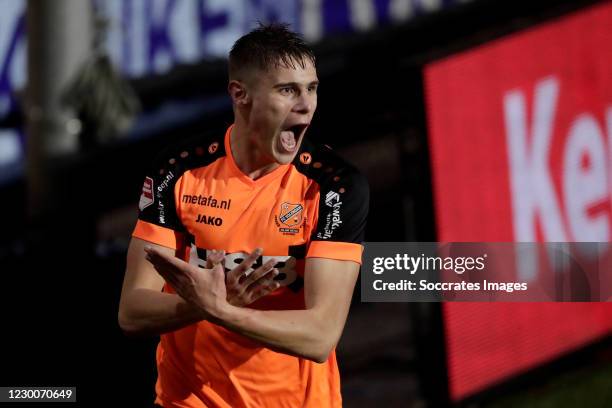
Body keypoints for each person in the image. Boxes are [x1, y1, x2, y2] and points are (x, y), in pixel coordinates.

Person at [118, 23, 369, 408]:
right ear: (241, 94)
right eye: (287, 90)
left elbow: (320, 336)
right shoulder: (180, 171)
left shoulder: (333, 185)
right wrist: (201, 303)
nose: (306, 104)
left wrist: (218, 308)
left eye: (312, 88)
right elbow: (132, 311)